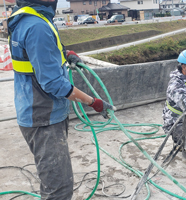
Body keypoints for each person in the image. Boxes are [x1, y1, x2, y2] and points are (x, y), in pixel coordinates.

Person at [7, 0, 116, 199]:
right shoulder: (38, 26)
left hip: (36, 110)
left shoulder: (27, 17)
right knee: (59, 190)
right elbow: (53, 83)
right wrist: (93, 102)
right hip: (43, 117)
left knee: (52, 183)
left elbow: (37, 54)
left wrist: (65, 54)